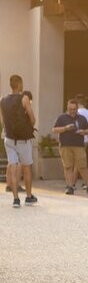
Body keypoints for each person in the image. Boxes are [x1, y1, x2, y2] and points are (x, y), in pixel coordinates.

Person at [1, 74, 38, 207]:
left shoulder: (2, 100)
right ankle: (28, 197)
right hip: (23, 140)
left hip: (9, 139)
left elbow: (2, 121)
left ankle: (16, 199)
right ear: (20, 84)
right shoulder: (24, 98)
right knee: (26, 168)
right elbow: (33, 119)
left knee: (13, 167)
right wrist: (29, 128)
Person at [53, 99, 88, 195]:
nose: (72, 111)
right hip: (65, 145)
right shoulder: (61, 118)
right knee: (68, 166)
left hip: (79, 145)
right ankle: (69, 186)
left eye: (74, 109)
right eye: (70, 109)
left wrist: (84, 132)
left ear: (77, 108)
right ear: (67, 108)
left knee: (83, 166)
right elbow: (54, 129)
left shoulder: (82, 118)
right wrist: (65, 128)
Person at [75, 94, 88, 190]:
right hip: (85, 139)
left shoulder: (75, 113)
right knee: (82, 160)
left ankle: (73, 183)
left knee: (77, 162)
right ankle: (84, 182)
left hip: (75, 139)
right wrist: (86, 131)